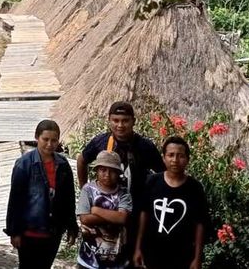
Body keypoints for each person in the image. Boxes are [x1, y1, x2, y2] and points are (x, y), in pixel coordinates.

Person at [77, 102, 165, 259]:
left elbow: (162, 174)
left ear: (133, 121)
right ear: (109, 121)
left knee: (130, 256)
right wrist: (85, 189)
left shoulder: (145, 146)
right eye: (115, 120)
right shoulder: (100, 142)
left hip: (135, 213)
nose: (120, 125)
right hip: (104, 211)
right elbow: (82, 159)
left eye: (125, 120)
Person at [5, 120, 78, 269]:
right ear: (37, 137)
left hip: (53, 232)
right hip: (29, 232)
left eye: (54, 140)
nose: (50, 144)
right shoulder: (24, 164)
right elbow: (16, 200)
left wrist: (72, 226)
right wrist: (15, 232)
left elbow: (69, 199)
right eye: (45, 139)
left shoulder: (63, 165)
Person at [134, 136, 209, 269]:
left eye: (180, 156)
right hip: (152, 253)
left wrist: (197, 258)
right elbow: (144, 215)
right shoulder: (152, 182)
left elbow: (200, 224)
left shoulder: (195, 188)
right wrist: (138, 248)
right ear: (163, 158)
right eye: (171, 155)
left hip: (182, 256)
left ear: (187, 159)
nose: (175, 160)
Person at [76, 150, 133, 269]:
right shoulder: (88, 190)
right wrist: (112, 216)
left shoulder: (123, 193)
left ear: (118, 173)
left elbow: (122, 218)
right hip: (89, 257)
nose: (107, 174)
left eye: (112, 171)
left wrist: (96, 210)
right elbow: (84, 218)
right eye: (103, 170)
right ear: (96, 170)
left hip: (116, 258)